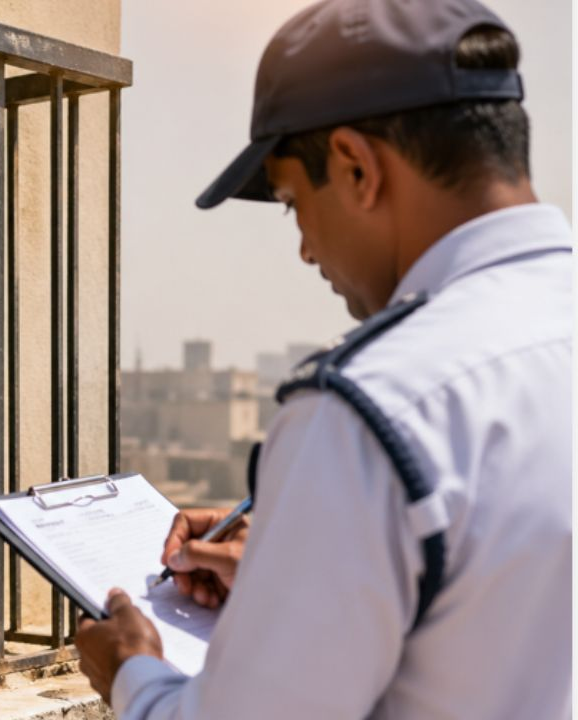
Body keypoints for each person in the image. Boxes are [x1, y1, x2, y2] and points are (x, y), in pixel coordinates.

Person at [75, 0, 573, 717]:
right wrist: (305, 558)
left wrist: (132, 673)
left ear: (355, 167)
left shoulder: (374, 410)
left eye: (290, 201)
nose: (306, 248)